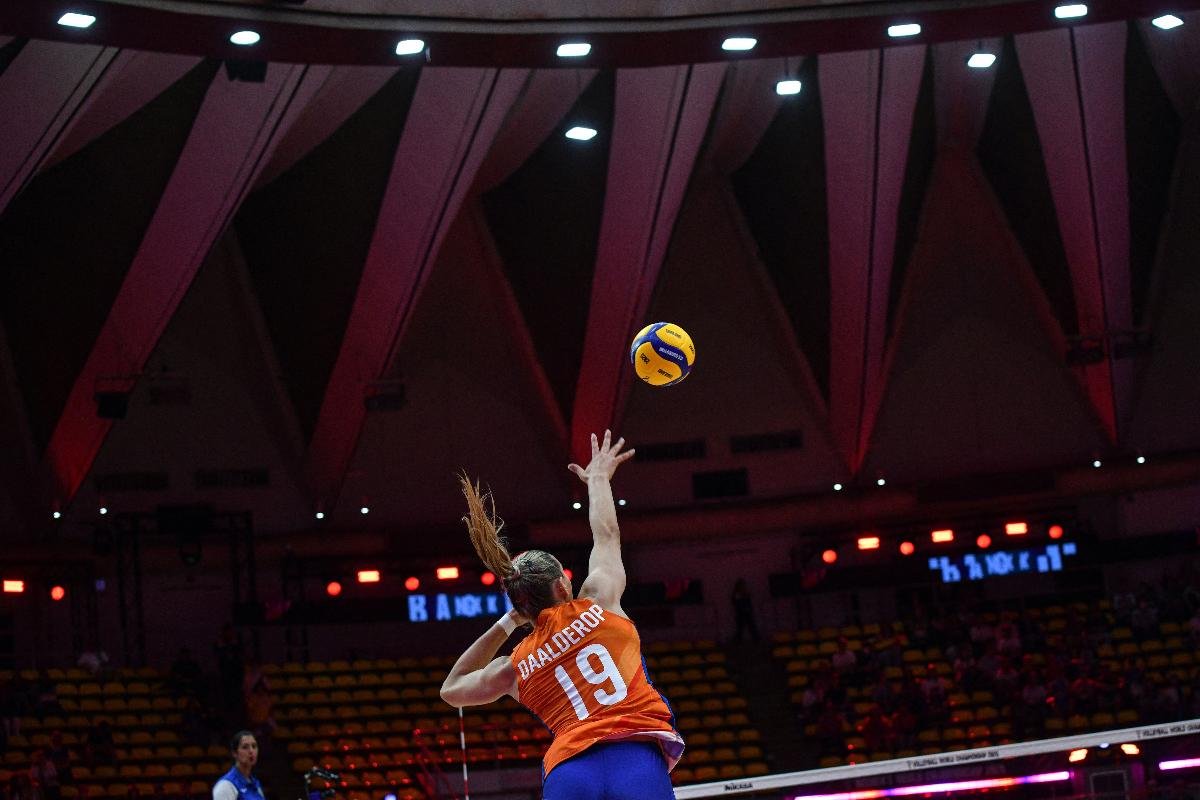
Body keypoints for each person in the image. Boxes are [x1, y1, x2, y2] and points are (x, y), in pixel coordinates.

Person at [440, 431, 683, 800]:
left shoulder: (514, 666)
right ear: (562, 587)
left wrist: (509, 621)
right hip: (633, 754)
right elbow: (607, 535)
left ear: (522, 605)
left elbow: (452, 689)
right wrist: (598, 479)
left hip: (569, 770)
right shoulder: (598, 602)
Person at [212, 731, 264, 800]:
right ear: (234, 753)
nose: (251, 751)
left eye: (254, 746)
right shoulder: (225, 785)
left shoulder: (255, 783)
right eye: (245, 747)